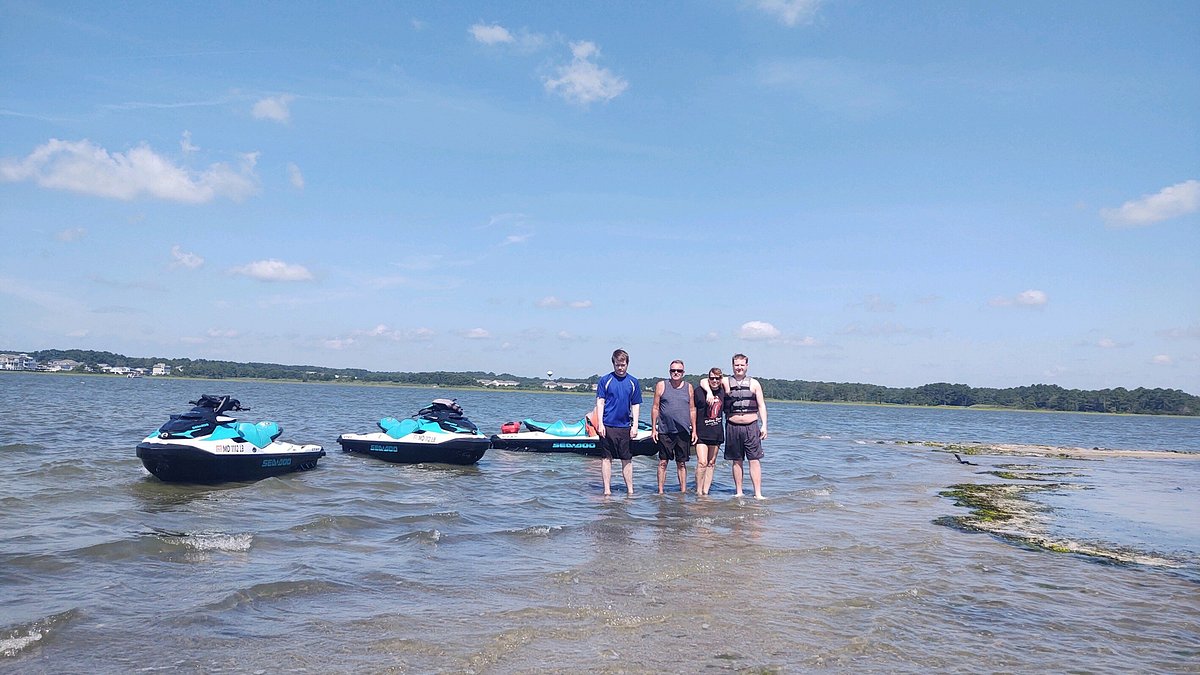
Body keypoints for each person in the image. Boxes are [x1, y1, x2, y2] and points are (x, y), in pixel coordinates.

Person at [701, 353, 767, 499]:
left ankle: (758, 493)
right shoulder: (725, 381)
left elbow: (761, 405)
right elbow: (704, 381)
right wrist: (709, 393)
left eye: (742, 365)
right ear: (733, 366)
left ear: (747, 366)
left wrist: (764, 426)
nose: (739, 368)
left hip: (751, 426)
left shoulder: (754, 383)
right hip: (732, 426)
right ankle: (739, 492)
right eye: (737, 365)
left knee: (754, 460)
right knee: (736, 460)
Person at [595, 348, 642, 495]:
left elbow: (635, 405)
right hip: (607, 425)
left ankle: (630, 490)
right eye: (617, 365)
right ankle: (607, 490)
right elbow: (600, 402)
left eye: (622, 365)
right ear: (613, 364)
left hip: (624, 427)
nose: (620, 368)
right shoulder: (605, 380)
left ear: (627, 364)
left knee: (626, 459)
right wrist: (600, 424)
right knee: (606, 459)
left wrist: (635, 426)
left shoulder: (633, 382)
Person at [651, 359, 697, 494]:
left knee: (681, 464)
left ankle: (683, 492)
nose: (676, 373)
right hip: (665, 431)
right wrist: (654, 429)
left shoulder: (688, 387)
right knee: (663, 463)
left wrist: (694, 430)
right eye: (673, 370)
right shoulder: (661, 385)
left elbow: (692, 409)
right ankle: (660, 492)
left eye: (679, 370)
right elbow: (655, 407)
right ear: (669, 371)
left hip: (683, 431)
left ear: (683, 372)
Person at [693, 366, 725, 496]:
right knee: (702, 462)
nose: (715, 381)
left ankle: (706, 492)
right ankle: (698, 491)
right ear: (708, 378)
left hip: (716, 432)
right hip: (701, 431)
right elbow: (702, 381)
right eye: (712, 378)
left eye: (717, 378)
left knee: (711, 463)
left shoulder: (723, 390)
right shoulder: (700, 391)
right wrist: (709, 393)